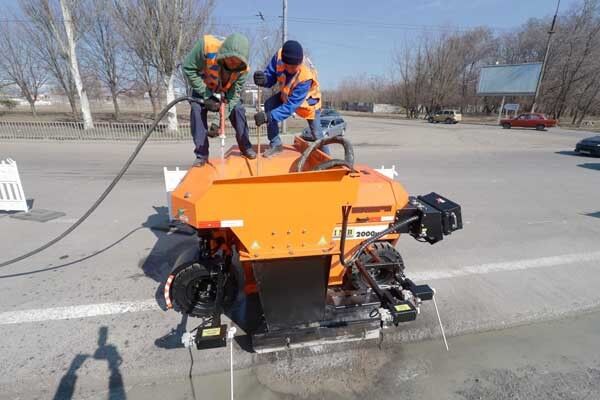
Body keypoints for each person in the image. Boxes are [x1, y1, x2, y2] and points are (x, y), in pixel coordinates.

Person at [183, 33, 256, 167]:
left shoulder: (243, 70)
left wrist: (217, 122)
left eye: (237, 61)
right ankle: (201, 155)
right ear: (224, 53)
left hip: (227, 91)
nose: (233, 64)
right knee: (196, 108)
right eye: (230, 59)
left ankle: (245, 147)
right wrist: (206, 95)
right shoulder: (206, 46)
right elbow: (188, 68)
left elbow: (233, 97)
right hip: (204, 87)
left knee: (238, 109)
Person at [253, 40, 328, 157]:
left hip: (309, 103)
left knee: (317, 133)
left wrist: (268, 117)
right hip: (287, 94)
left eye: (296, 66)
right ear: (284, 62)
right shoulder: (279, 57)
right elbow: (271, 76)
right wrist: (264, 79)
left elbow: (290, 107)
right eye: (290, 67)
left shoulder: (306, 75)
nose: (294, 70)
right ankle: (276, 144)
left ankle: (328, 160)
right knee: (269, 105)